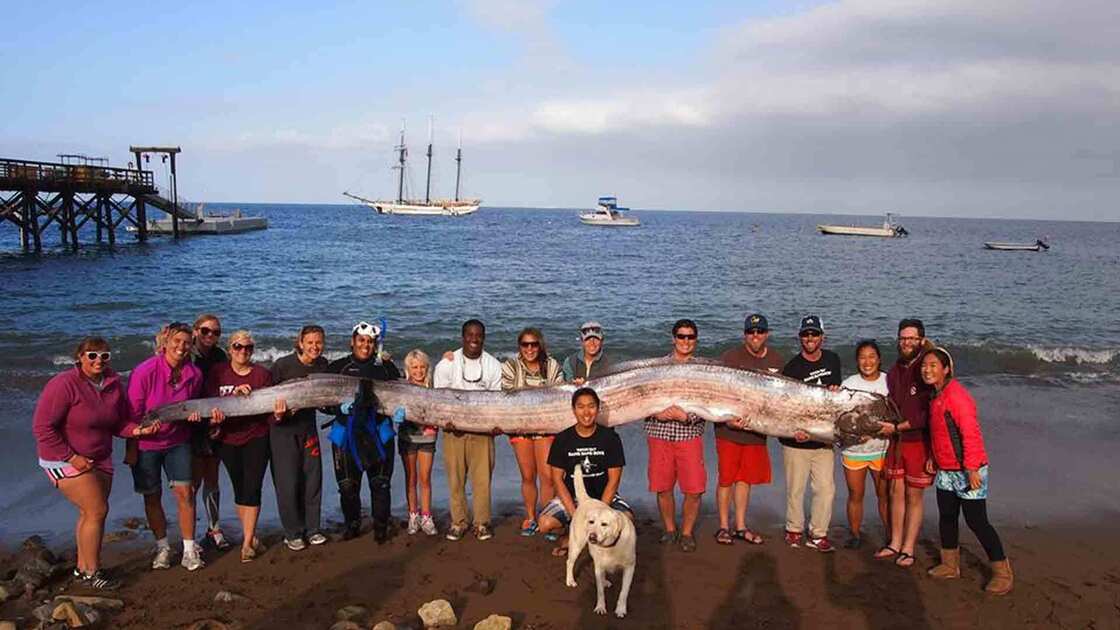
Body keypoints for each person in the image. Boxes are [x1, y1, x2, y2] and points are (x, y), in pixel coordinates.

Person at [33, 337, 160, 589]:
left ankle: (82, 569)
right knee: (97, 510)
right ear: (79, 358)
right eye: (92, 355)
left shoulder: (113, 384)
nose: (98, 361)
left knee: (89, 512)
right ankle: (92, 573)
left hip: (100, 457)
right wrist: (72, 458)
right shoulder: (64, 384)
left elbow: (117, 423)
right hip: (62, 457)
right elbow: (42, 428)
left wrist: (139, 432)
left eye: (104, 356)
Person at [922, 347, 1012, 595]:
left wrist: (972, 468)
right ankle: (949, 565)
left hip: (969, 469)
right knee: (947, 517)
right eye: (924, 366)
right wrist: (933, 457)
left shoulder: (956, 396)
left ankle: (1002, 572)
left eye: (933, 365)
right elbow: (939, 433)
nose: (926, 370)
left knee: (977, 521)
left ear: (946, 369)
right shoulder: (936, 395)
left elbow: (970, 434)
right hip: (946, 470)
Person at [127, 322, 207, 571]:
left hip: (177, 441)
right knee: (152, 496)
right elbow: (132, 413)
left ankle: (189, 549)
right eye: (177, 341)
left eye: (186, 342)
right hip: (146, 443)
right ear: (165, 342)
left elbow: (193, 406)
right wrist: (134, 441)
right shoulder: (144, 371)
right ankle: (162, 547)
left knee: (186, 493)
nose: (181, 347)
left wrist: (195, 416)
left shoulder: (194, 374)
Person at [204, 331, 277, 563]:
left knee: (253, 487)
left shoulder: (262, 375)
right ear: (229, 349)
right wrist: (213, 419)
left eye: (248, 347)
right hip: (227, 438)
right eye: (238, 346)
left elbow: (268, 411)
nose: (243, 351)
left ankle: (247, 543)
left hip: (256, 436)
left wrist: (279, 414)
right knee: (239, 488)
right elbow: (209, 401)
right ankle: (251, 536)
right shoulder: (218, 372)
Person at [326, 321, 401, 543]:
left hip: (378, 432)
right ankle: (352, 525)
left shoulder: (386, 368)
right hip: (346, 433)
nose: (365, 345)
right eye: (361, 340)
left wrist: (401, 411)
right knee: (348, 485)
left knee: (380, 483)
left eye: (370, 342)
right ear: (352, 342)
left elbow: (401, 395)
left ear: (375, 344)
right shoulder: (337, 367)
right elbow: (321, 400)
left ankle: (381, 527)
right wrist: (336, 408)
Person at [715, 313, 783, 545]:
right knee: (726, 479)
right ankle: (724, 526)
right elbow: (716, 392)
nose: (756, 336)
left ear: (767, 334)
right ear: (745, 334)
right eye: (751, 332)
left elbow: (781, 400)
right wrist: (726, 420)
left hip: (756, 431)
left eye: (760, 331)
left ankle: (741, 526)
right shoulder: (730, 356)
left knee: (745, 479)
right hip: (729, 431)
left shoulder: (776, 359)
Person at [432, 319, 503, 541]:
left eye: (478, 335)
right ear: (463, 337)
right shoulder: (446, 364)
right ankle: (458, 522)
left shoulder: (493, 365)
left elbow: (497, 400)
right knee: (455, 479)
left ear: (484, 337)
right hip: (453, 431)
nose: (474, 339)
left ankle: (482, 523)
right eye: (470, 335)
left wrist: (495, 425)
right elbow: (439, 398)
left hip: (483, 432)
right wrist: (446, 421)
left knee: (482, 480)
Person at [539, 387, 631, 556]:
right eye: (581, 407)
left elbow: (614, 480)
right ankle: (570, 535)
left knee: (627, 521)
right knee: (545, 523)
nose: (586, 412)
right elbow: (557, 480)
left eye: (591, 406)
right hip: (573, 498)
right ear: (574, 410)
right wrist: (577, 518)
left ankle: (592, 539)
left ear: (598, 409)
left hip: (603, 497)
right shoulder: (562, 439)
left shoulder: (611, 438)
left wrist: (601, 511)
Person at [644, 319, 707, 552]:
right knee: (663, 487)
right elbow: (640, 398)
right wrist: (656, 413)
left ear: (696, 340)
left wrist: (687, 417)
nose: (685, 341)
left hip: (689, 434)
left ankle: (687, 532)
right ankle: (670, 529)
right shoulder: (655, 367)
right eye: (681, 336)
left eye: (690, 337)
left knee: (694, 489)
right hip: (659, 433)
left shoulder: (704, 370)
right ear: (673, 339)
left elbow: (711, 401)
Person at [780, 315, 842, 553]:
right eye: (806, 334)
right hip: (796, 440)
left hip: (823, 441)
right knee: (796, 489)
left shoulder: (833, 359)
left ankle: (818, 533)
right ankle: (794, 529)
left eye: (814, 334)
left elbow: (832, 402)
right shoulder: (792, 367)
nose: (810, 338)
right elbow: (785, 406)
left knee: (826, 489)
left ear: (822, 337)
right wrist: (796, 431)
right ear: (800, 338)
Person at [876, 318, 935, 567]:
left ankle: (909, 548)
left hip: (918, 441)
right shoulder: (895, 370)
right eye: (903, 338)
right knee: (894, 492)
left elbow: (928, 412)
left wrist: (898, 427)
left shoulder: (927, 367)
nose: (906, 342)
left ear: (921, 340)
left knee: (914, 496)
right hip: (896, 441)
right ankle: (895, 542)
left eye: (911, 338)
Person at [270, 325, 329, 550]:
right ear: (301, 343)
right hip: (283, 431)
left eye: (319, 342)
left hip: (308, 429)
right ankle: (292, 532)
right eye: (310, 342)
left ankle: (312, 529)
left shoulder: (322, 365)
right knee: (288, 483)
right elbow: (266, 399)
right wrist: (278, 415)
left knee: (313, 479)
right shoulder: (282, 366)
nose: (315, 347)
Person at [502, 327, 565, 536]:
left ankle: (547, 517)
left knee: (547, 476)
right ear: (520, 347)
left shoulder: (552, 365)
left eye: (534, 344)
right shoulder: (511, 366)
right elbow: (506, 396)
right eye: (525, 345)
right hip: (520, 427)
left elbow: (560, 394)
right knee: (528, 475)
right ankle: (530, 516)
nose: (530, 349)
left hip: (546, 427)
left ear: (540, 345)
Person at [839, 339, 891, 549]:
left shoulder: (890, 382)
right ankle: (854, 533)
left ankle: (891, 535)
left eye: (871, 357)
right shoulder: (849, 384)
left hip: (882, 450)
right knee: (855, 495)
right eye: (862, 357)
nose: (867, 362)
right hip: (854, 450)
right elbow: (840, 418)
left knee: (884, 495)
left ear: (879, 359)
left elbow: (896, 415)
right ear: (857, 361)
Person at [190, 314, 230, 551]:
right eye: (205, 331)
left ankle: (214, 528)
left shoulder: (220, 356)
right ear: (196, 331)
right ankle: (190, 534)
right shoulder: (186, 353)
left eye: (215, 332)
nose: (210, 336)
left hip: (213, 419)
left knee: (212, 477)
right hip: (190, 422)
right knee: (192, 480)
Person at [398, 349, 439, 537]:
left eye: (422, 367)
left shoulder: (433, 387)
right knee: (411, 479)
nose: (418, 371)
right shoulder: (402, 386)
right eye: (414, 367)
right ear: (408, 369)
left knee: (425, 479)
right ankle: (413, 515)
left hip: (428, 437)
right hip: (407, 437)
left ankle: (426, 516)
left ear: (427, 368)